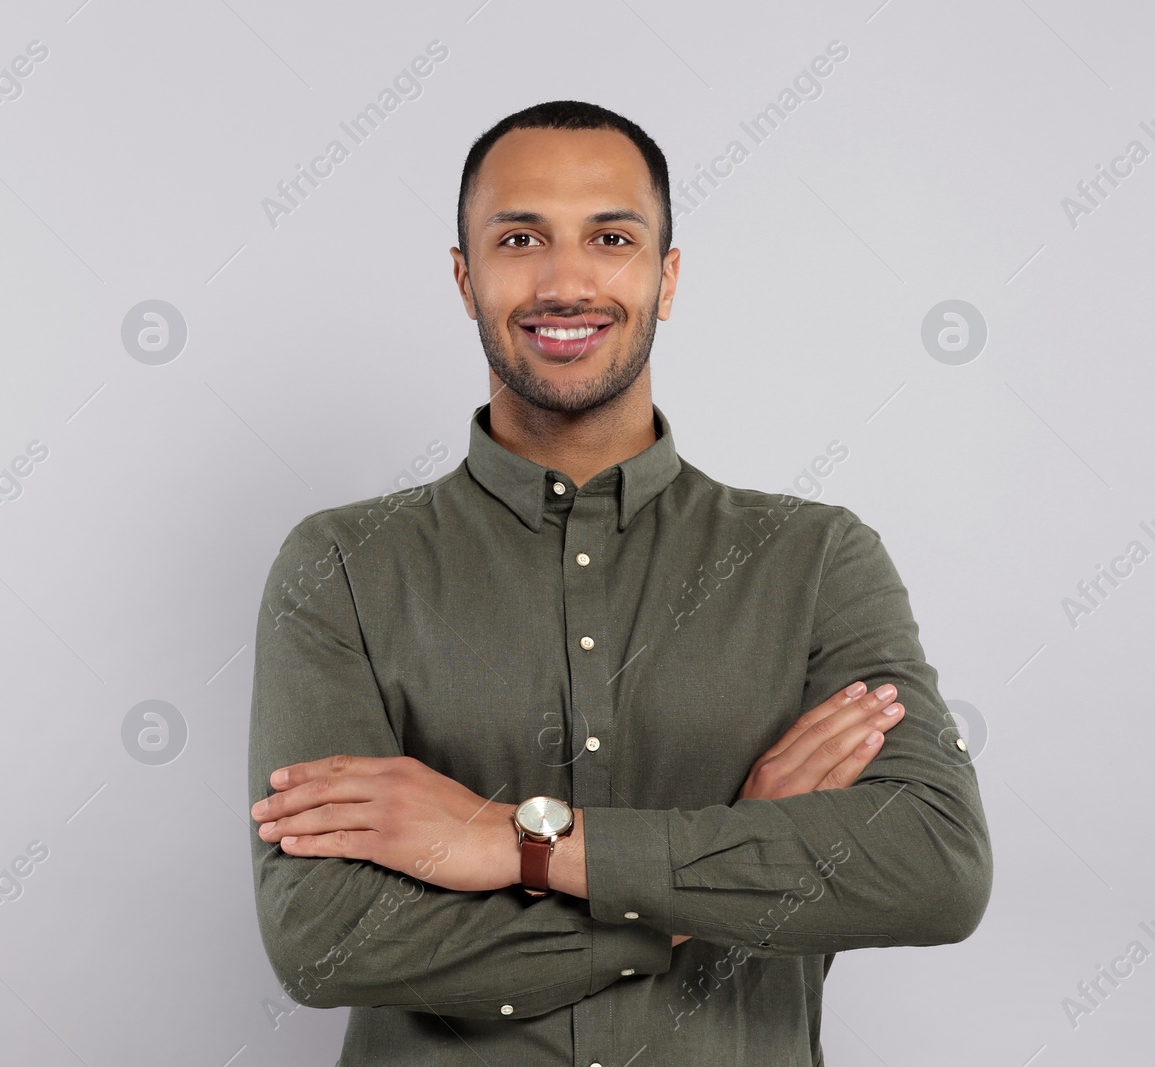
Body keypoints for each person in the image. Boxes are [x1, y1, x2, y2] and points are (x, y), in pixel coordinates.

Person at [247, 100, 991, 1066]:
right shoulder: (342, 565)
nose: (565, 281)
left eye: (610, 237)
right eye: (521, 238)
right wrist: (721, 867)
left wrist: (516, 844)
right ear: (465, 277)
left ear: (666, 276)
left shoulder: (818, 560)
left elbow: (932, 866)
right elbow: (324, 938)